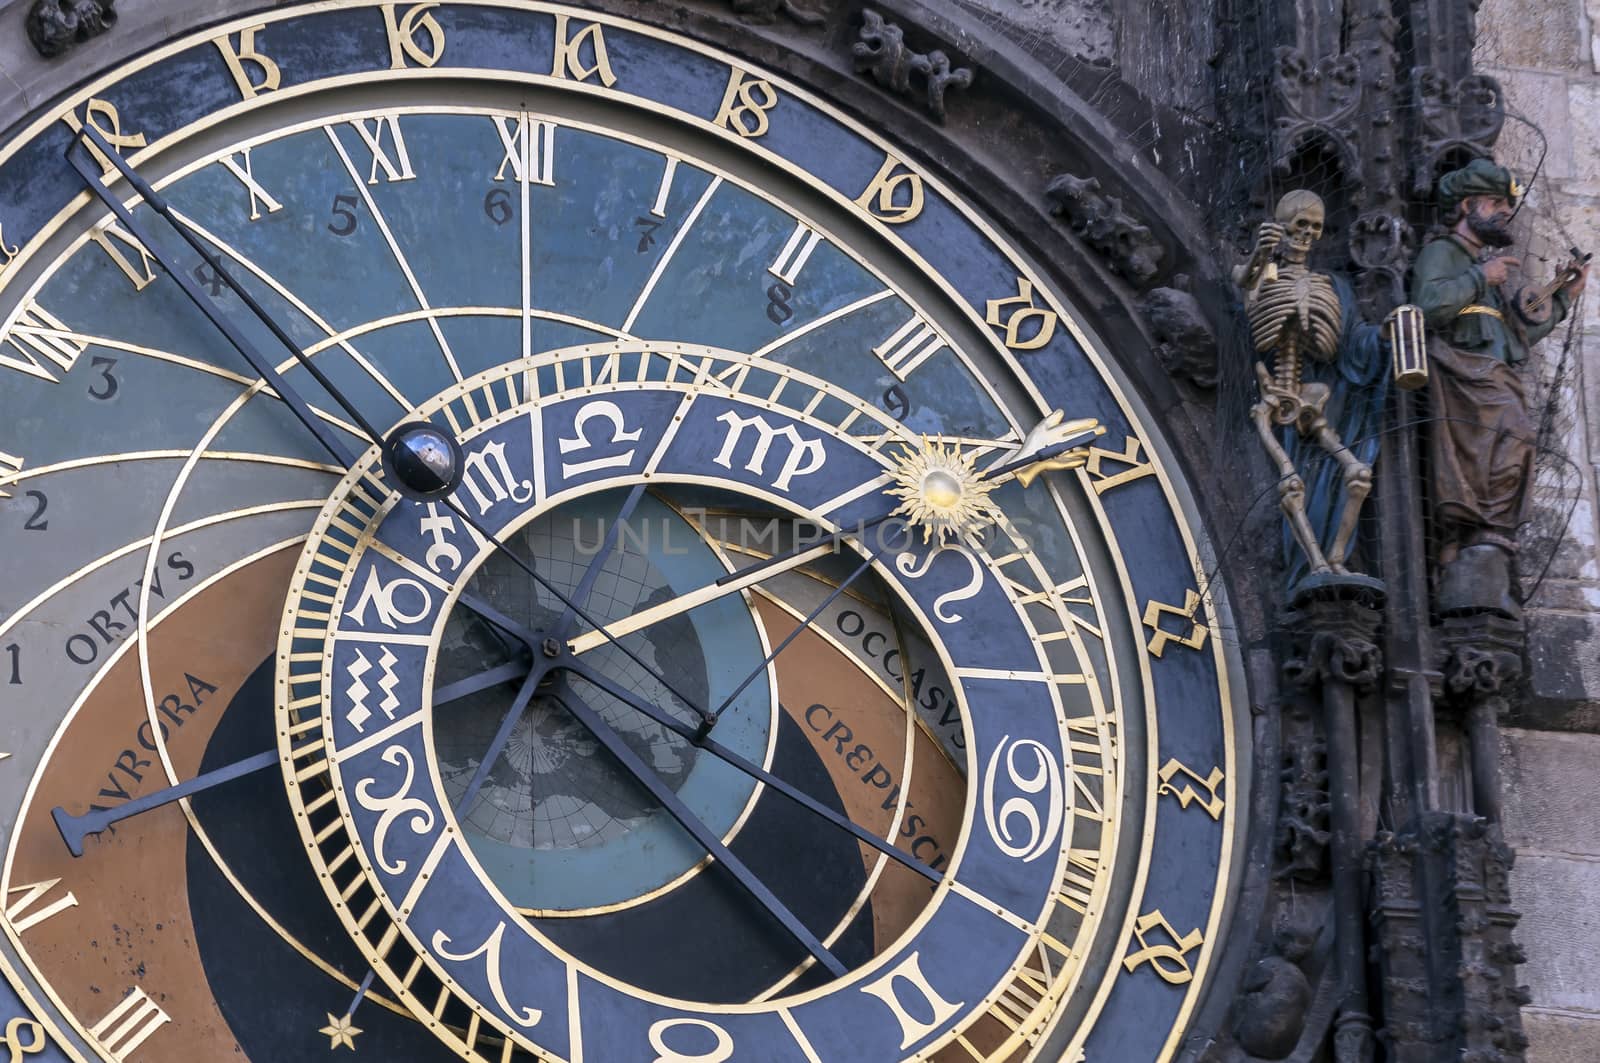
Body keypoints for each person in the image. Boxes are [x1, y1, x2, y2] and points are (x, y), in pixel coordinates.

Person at [1411, 158, 1588, 615]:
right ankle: (1463, 545)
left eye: (1506, 206)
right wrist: (1478, 278)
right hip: (1461, 381)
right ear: (1467, 205)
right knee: (1509, 440)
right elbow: (1425, 307)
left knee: (1516, 443)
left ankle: (1482, 543)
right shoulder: (1444, 253)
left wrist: (1564, 298)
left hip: (1495, 379)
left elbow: (1512, 337)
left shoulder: (1482, 267)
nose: (1503, 213)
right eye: (1494, 204)